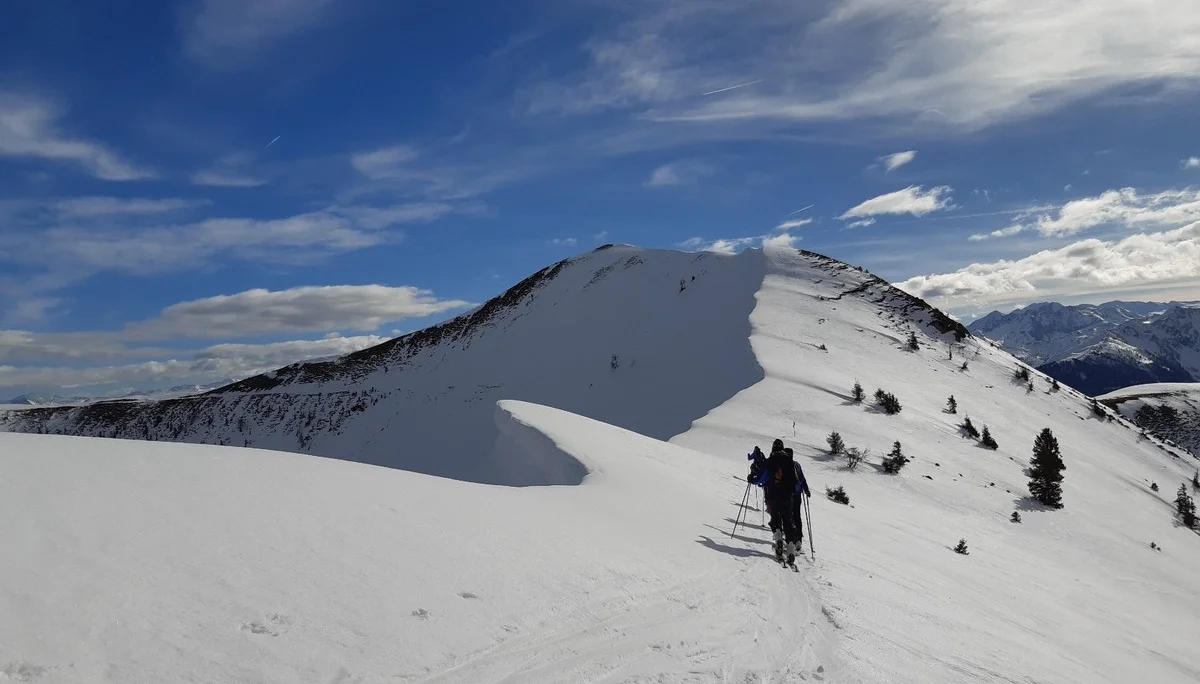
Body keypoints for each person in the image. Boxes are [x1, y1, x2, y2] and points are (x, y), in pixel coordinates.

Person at [762, 439, 801, 564]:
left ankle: (778, 537)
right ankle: (790, 548)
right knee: (788, 522)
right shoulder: (789, 461)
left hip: (773, 496)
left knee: (775, 519)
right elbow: (795, 481)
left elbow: (763, 477)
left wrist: (753, 479)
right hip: (787, 497)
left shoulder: (771, 460)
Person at [787, 447, 811, 550]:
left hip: (787, 495)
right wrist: (806, 490)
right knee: (797, 516)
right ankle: (799, 539)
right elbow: (802, 478)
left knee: (789, 516)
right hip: (797, 494)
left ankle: (791, 538)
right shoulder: (796, 465)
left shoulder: (784, 465)